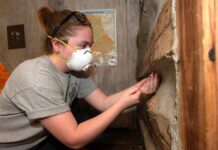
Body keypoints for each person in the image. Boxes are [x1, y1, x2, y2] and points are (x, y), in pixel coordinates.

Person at [0, 7, 160, 150]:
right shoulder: (36, 78)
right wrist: (121, 105)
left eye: (90, 46)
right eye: (83, 46)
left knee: (93, 127)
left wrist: (139, 88)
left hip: (40, 137)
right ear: (57, 45)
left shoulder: (74, 70)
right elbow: (74, 139)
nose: (88, 53)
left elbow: (104, 103)